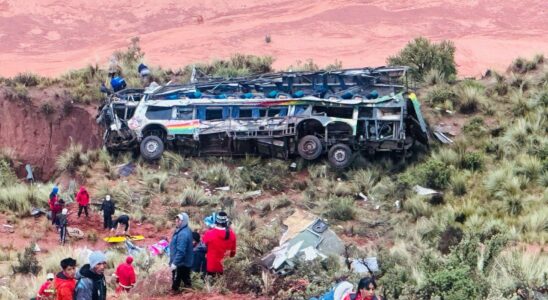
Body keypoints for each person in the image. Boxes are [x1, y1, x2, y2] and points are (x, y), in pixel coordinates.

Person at [202, 211, 237, 276]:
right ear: (226, 222)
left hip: (211, 267)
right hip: (225, 268)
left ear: (216, 221)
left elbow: (203, 247)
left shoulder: (209, 234)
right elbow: (233, 253)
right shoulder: (232, 235)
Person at [169, 212, 194, 293]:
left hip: (181, 263)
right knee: (186, 280)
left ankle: (176, 293)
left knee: (176, 284)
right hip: (184, 262)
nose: (176, 221)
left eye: (179, 220)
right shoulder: (185, 230)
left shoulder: (183, 234)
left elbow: (181, 251)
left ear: (184, 221)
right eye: (176, 219)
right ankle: (189, 293)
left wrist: (174, 263)